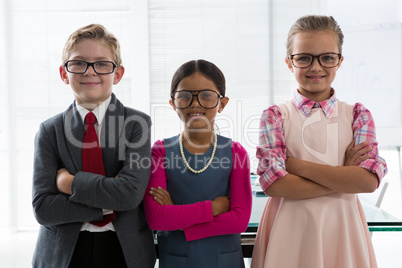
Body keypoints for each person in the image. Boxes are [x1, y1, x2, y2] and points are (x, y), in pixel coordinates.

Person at [251, 15, 388, 268]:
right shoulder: (275, 115)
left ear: (339, 61)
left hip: (342, 229)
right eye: (304, 58)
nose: (316, 67)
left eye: (327, 57)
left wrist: (295, 166)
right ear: (289, 63)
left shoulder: (357, 114)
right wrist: (345, 176)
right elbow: (274, 185)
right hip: (288, 230)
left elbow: (368, 182)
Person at [32, 24, 155, 268]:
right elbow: (44, 208)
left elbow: (130, 195)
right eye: (78, 63)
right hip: (64, 252)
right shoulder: (49, 130)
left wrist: (69, 184)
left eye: (101, 63)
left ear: (117, 74)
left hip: (123, 251)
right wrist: (108, 204)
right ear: (64, 73)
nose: (90, 72)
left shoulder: (136, 124)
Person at [143, 59, 253, 268]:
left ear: (222, 103)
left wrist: (180, 221)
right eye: (184, 96)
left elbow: (239, 220)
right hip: (177, 259)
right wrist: (215, 207)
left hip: (225, 260)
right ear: (172, 103)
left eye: (206, 95)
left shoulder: (236, 153)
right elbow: (157, 218)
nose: (195, 103)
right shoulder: (159, 152)